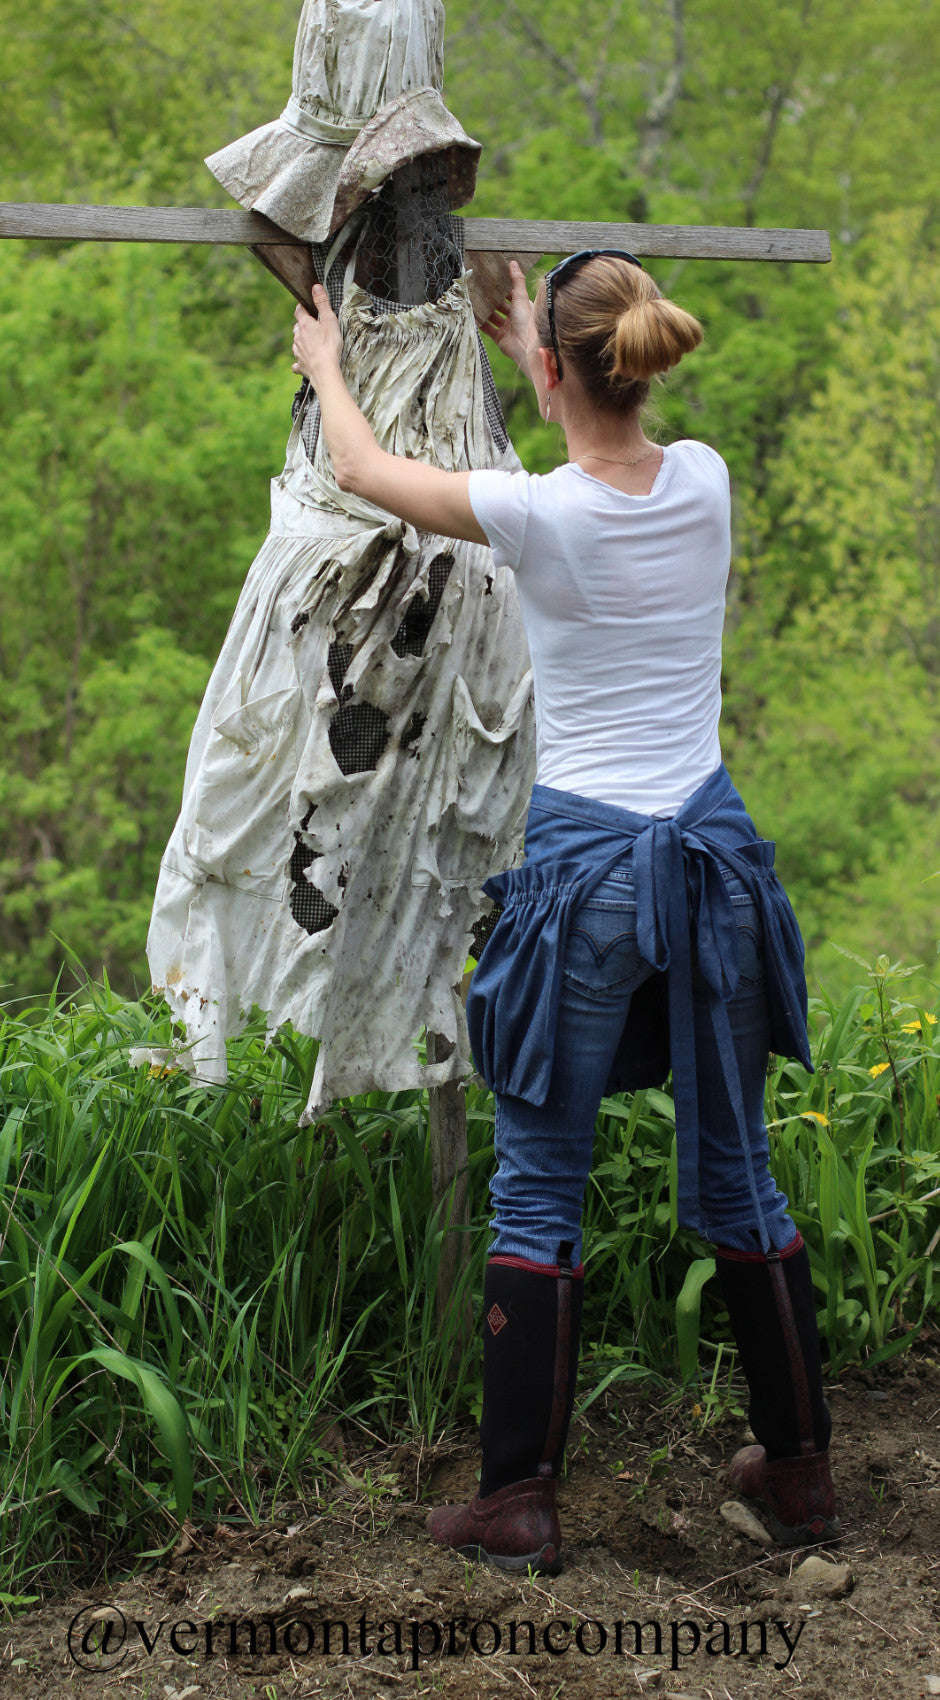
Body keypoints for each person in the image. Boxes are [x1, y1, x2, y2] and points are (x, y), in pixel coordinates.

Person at [291, 250, 839, 1577]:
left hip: (588, 870)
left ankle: (517, 1500)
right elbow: (595, 421)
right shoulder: (702, 479)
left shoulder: (538, 516)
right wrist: (532, 330)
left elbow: (367, 475)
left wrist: (326, 367)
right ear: (643, 361)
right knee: (737, 1173)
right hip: (711, 856)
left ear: (549, 372)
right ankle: (803, 1480)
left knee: (543, 1177)